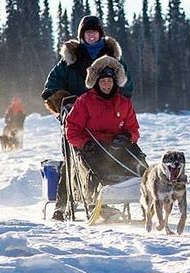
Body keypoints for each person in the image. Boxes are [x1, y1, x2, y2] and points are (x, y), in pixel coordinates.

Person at [41, 15, 132, 220]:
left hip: (105, 118)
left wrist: (116, 102)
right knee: (72, 160)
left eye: (95, 32)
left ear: (100, 34)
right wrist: (63, 101)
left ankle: (110, 197)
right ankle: (62, 204)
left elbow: (127, 84)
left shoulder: (112, 58)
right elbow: (51, 87)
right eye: (87, 32)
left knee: (113, 157)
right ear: (82, 36)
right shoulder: (70, 60)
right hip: (77, 118)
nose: (91, 35)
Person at [65, 56, 145, 200]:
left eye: (109, 81)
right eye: (103, 81)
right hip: (93, 147)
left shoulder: (124, 103)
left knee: (138, 159)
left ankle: (146, 186)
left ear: (115, 82)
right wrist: (85, 143)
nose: (106, 85)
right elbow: (72, 131)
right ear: (96, 82)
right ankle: (99, 195)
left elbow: (133, 129)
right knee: (98, 166)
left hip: (118, 146)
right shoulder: (84, 101)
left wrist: (127, 137)